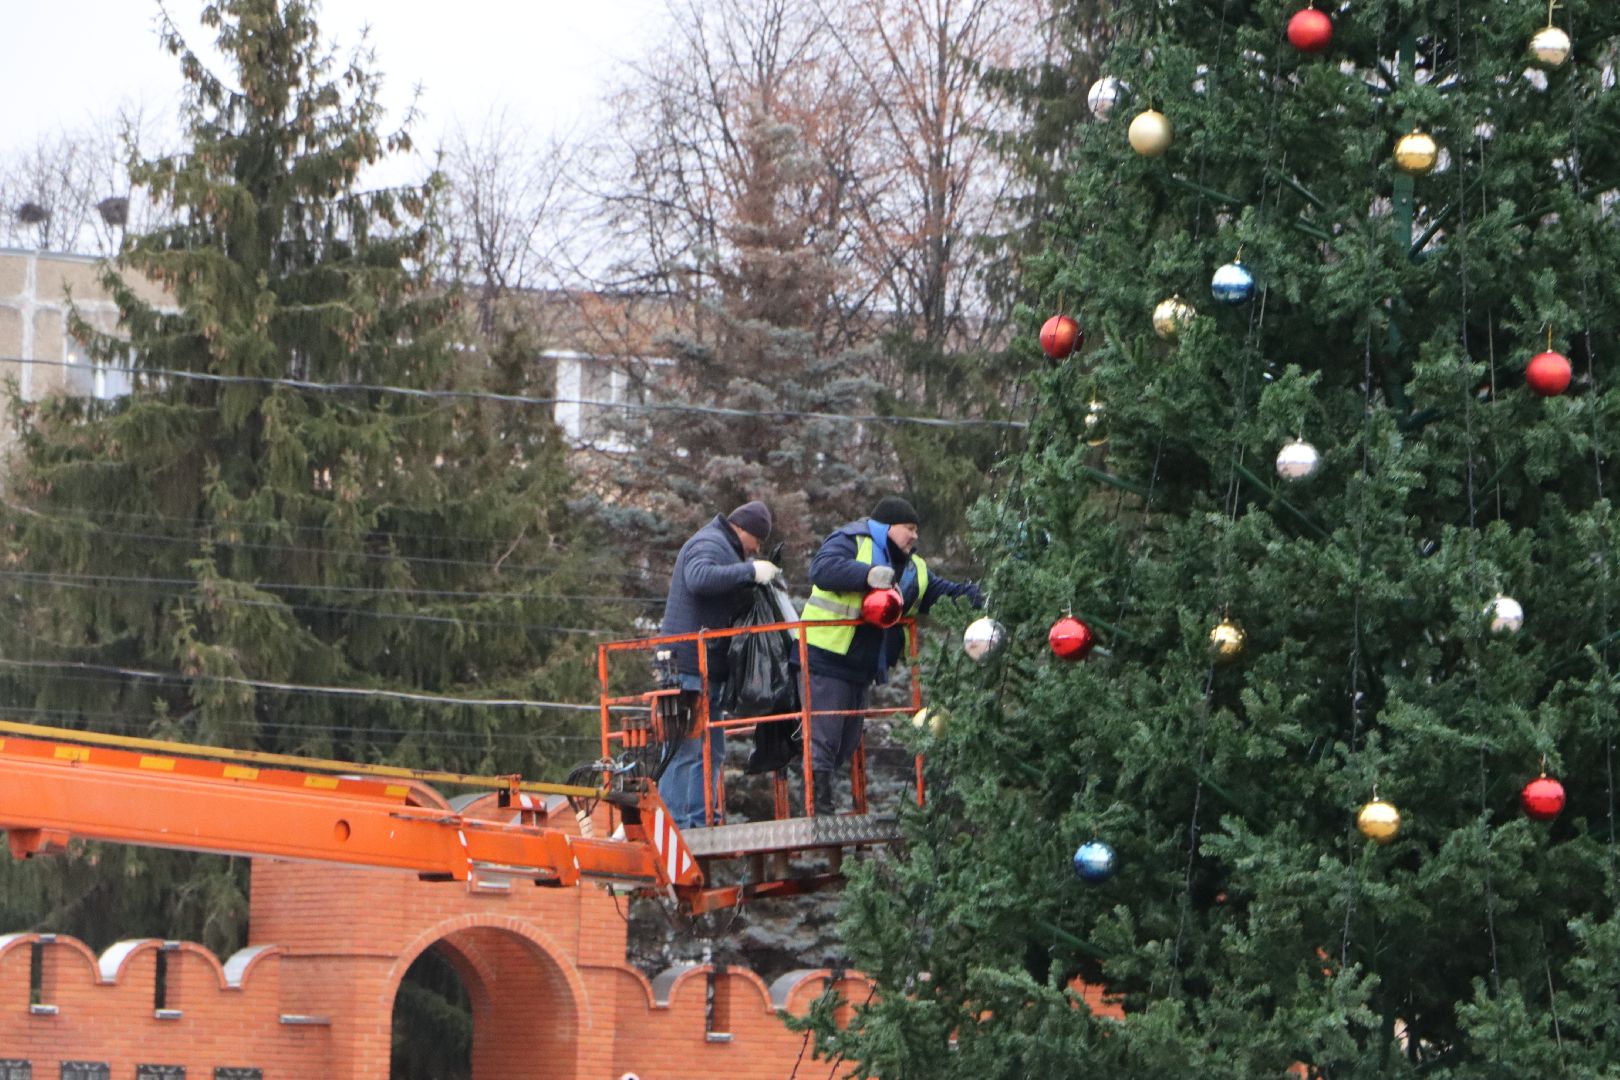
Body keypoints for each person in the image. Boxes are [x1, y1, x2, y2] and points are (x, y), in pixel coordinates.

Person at [799, 496, 981, 814]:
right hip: (825, 656)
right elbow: (823, 569)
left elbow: (946, 595)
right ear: (887, 526)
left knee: (846, 740)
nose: (914, 536)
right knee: (824, 734)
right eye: (908, 528)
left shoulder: (915, 569)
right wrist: (870, 575)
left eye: (916, 530)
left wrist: (985, 595)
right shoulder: (852, 539)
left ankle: (824, 800)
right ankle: (819, 805)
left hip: (861, 665)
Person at [657, 500, 780, 828]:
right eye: (757, 541)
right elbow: (699, 578)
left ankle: (698, 821)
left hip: (704, 672)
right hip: (685, 670)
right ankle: (677, 825)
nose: (756, 549)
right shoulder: (709, 543)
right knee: (684, 751)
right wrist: (749, 571)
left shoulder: (721, 545)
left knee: (710, 751)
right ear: (745, 531)